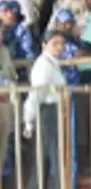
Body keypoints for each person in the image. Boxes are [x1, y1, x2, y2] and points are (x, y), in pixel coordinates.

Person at [22, 31, 70, 189]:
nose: (60, 47)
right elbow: (36, 94)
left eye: (62, 43)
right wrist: (28, 120)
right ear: (44, 45)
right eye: (55, 43)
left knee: (46, 158)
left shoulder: (52, 63)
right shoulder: (44, 65)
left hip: (53, 111)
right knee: (53, 157)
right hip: (48, 112)